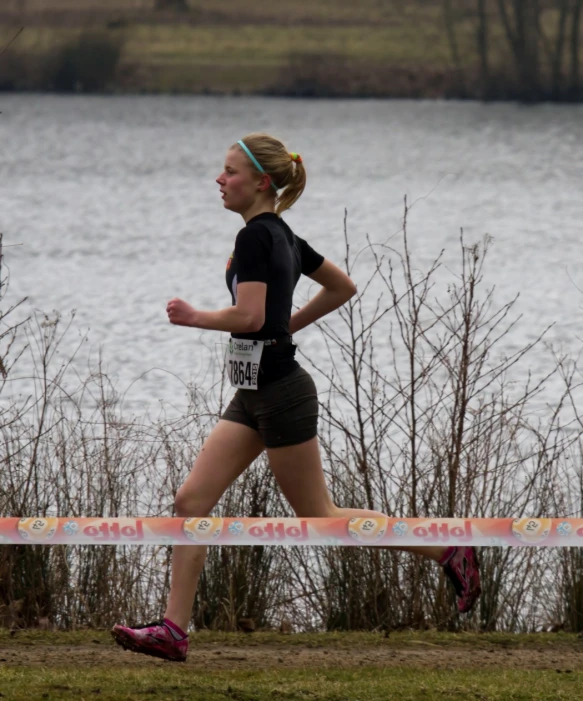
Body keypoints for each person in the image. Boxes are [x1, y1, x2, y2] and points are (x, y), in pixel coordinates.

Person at [111, 133, 481, 662]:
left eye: (230, 171)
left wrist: (196, 317)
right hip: (253, 392)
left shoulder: (259, 238)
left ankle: (447, 547)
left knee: (320, 513)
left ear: (261, 181)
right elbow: (340, 287)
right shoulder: (282, 235)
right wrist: (287, 326)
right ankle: (174, 630)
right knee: (191, 502)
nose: (219, 179)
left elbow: (250, 317)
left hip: (282, 394)